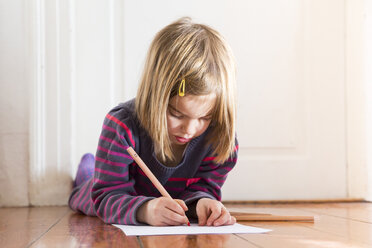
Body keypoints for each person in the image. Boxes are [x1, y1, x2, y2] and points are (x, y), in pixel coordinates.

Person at [69, 17, 239, 227]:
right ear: (155, 96)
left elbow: (204, 187)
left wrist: (203, 202)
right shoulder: (122, 126)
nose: (189, 129)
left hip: (168, 201)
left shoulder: (218, 137)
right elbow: (105, 197)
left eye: (204, 117)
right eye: (177, 114)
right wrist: (145, 210)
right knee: (87, 184)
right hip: (116, 194)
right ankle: (88, 168)